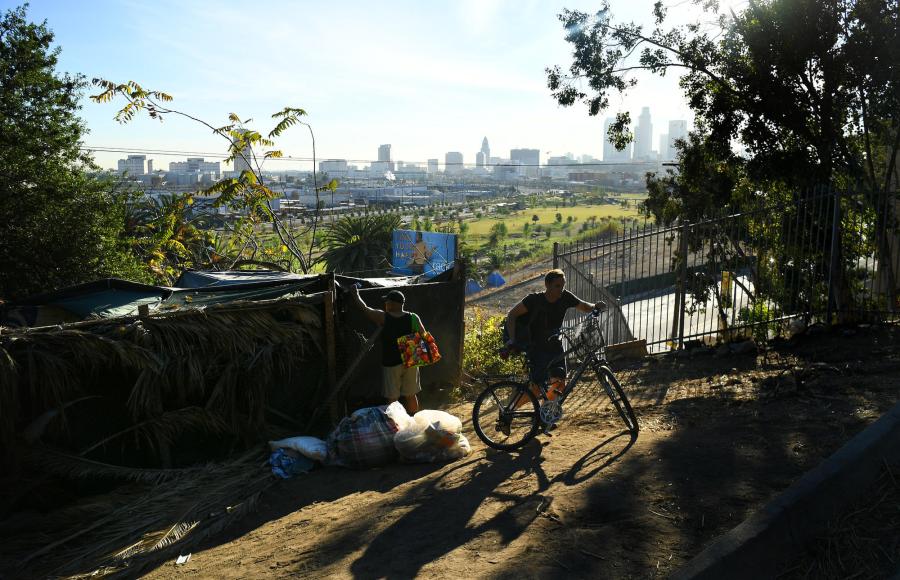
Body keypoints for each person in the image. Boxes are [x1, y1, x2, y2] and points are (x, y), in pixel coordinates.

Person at [505, 269, 606, 400]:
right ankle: (509, 411)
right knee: (535, 389)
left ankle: (547, 413)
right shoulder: (534, 300)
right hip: (535, 347)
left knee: (559, 381)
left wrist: (595, 306)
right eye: (557, 286)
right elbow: (512, 315)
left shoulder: (565, 297)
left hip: (554, 344)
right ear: (547, 285)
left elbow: (584, 307)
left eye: (563, 285)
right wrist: (512, 339)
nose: (561, 289)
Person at [348, 287, 426, 414]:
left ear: (392, 303)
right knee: (411, 395)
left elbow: (365, 309)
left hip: (391, 362)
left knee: (392, 398)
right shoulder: (413, 317)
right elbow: (424, 335)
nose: (385, 304)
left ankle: (394, 426)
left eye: (387, 301)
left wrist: (356, 296)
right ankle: (415, 422)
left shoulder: (383, 317)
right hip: (411, 359)